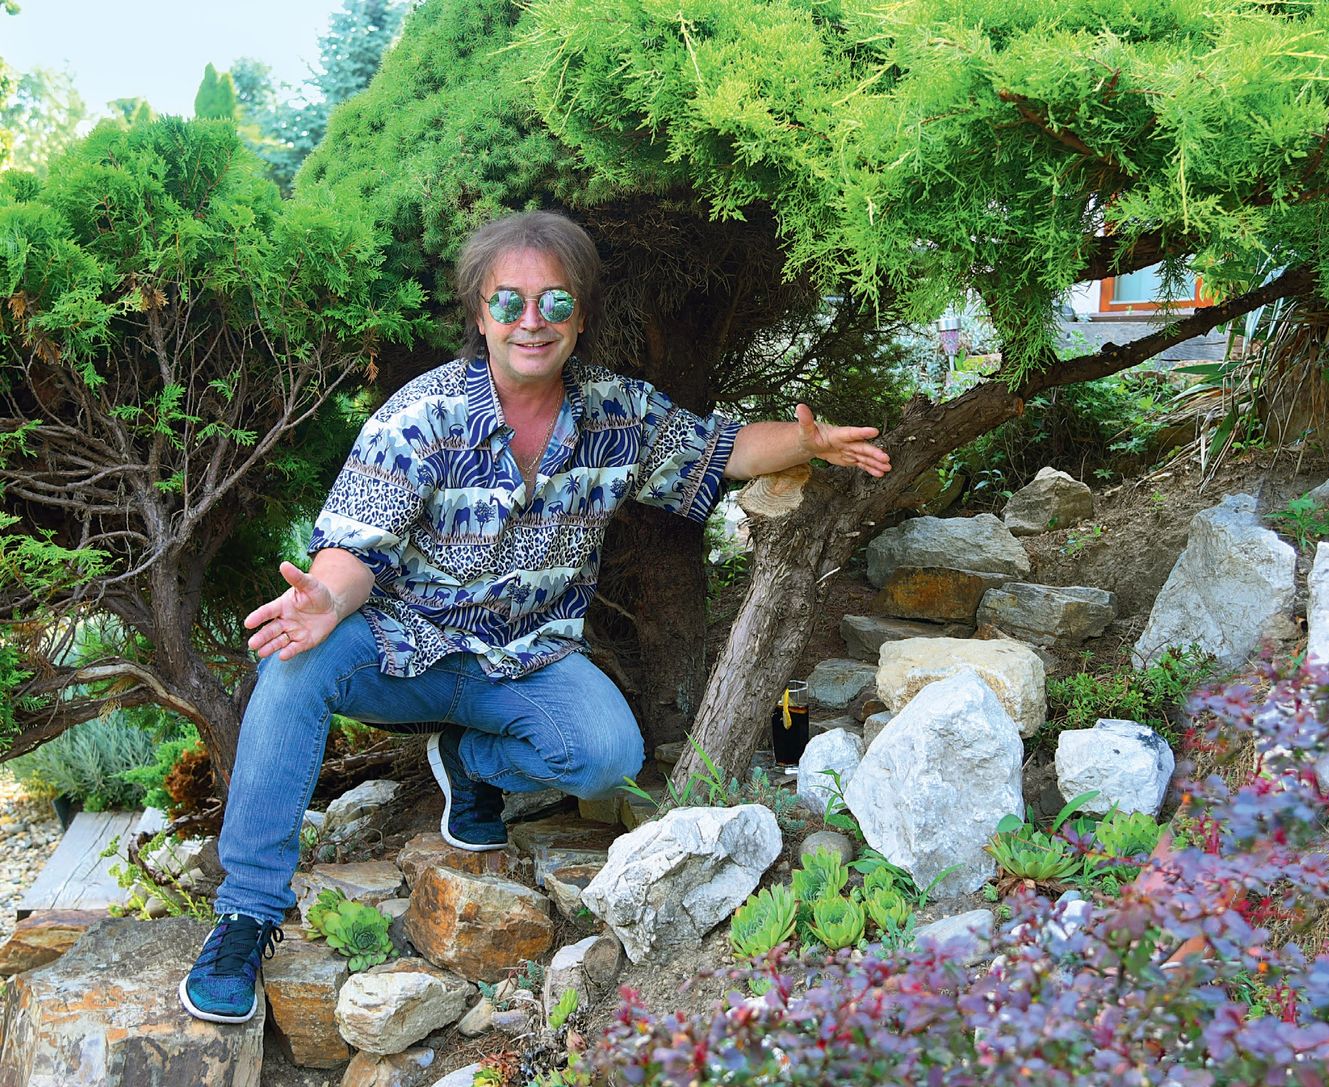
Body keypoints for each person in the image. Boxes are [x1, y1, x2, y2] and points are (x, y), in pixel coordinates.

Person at [180, 210, 892, 1023]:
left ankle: (472, 765)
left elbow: (721, 448)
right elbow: (355, 543)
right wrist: (328, 598)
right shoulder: (422, 414)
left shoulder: (615, 414)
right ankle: (246, 914)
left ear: (580, 317)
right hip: (403, 649)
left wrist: (808, 443)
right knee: (293, 660)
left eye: (554, 302)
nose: (531, 321)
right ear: (480, 313)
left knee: (608, 755)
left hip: (527, 659)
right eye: (508, 301)